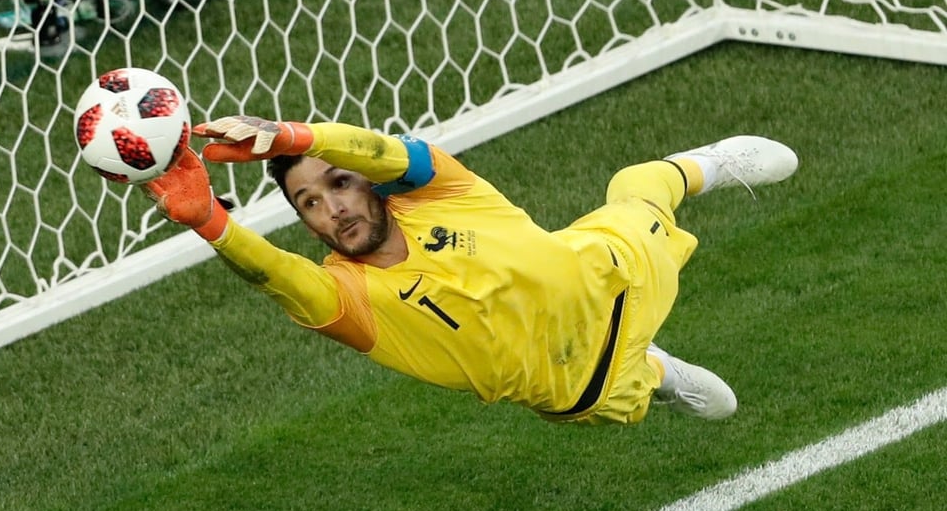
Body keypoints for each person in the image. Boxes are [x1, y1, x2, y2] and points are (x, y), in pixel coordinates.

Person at [143, 118, 797, 425]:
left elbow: (387, 150)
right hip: (582, 389)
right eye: (307, 202)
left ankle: (708, 162)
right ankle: (657, 370)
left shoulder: (437, 190)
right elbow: (278, 275)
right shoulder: (350, 296)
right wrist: (210, 221)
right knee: (632, 380)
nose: (331, 208)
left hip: (615, 274)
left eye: (339, 184)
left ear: (368, 180)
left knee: (639, 183)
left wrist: (295, 140)